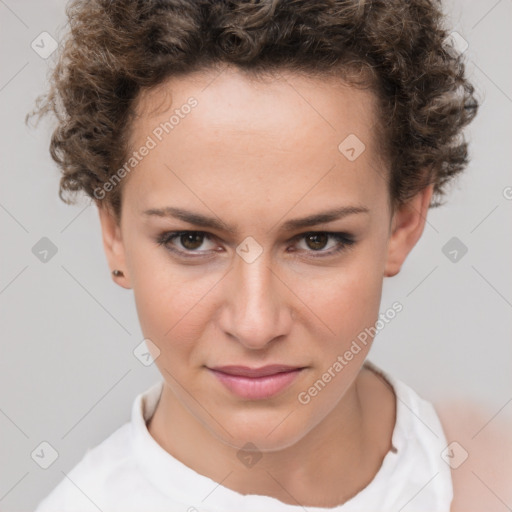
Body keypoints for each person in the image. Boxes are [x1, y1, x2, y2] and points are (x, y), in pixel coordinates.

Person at [27, 0, 479, 510]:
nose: (256, 325)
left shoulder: (488, 476)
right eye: (191, 240)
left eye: (317, 241)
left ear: (404, 220)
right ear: (113, 232)